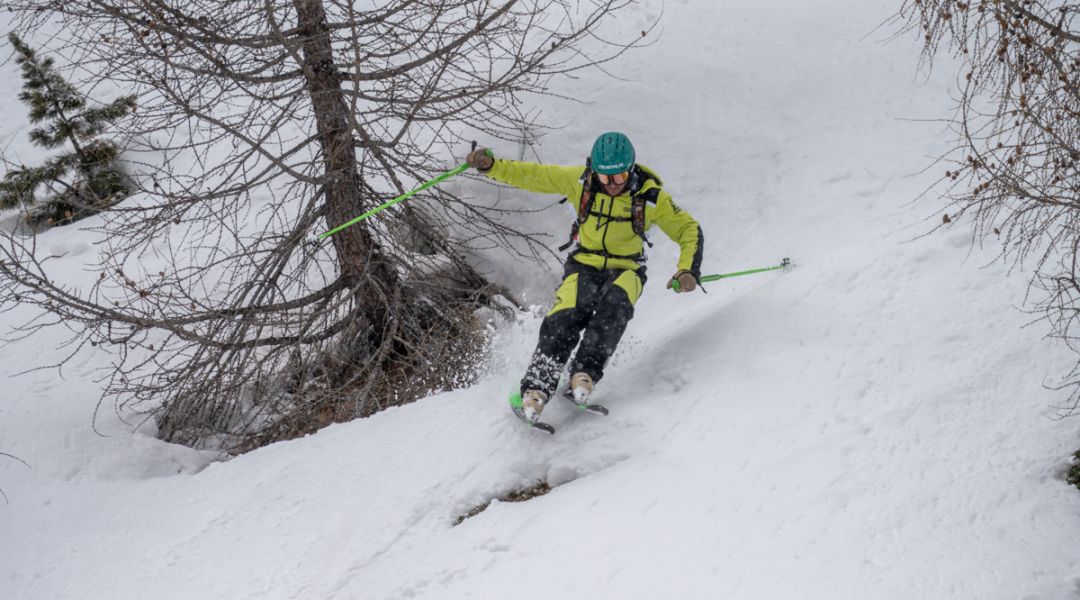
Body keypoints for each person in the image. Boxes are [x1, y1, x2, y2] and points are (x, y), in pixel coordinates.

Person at [466, 132, 704, 423]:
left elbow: (689, 229)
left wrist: (687, 269)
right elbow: (533, 175)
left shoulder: (651, 198)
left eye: (619, 177)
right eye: (605, 178)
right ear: (595, 171)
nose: (612, 185)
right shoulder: (581, 182)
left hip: (627, 268)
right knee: (563, 318)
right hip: (584, 264)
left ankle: (584, 376)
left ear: (631, 169)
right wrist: (491, 166)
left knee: (613, 310)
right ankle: (536, 390)